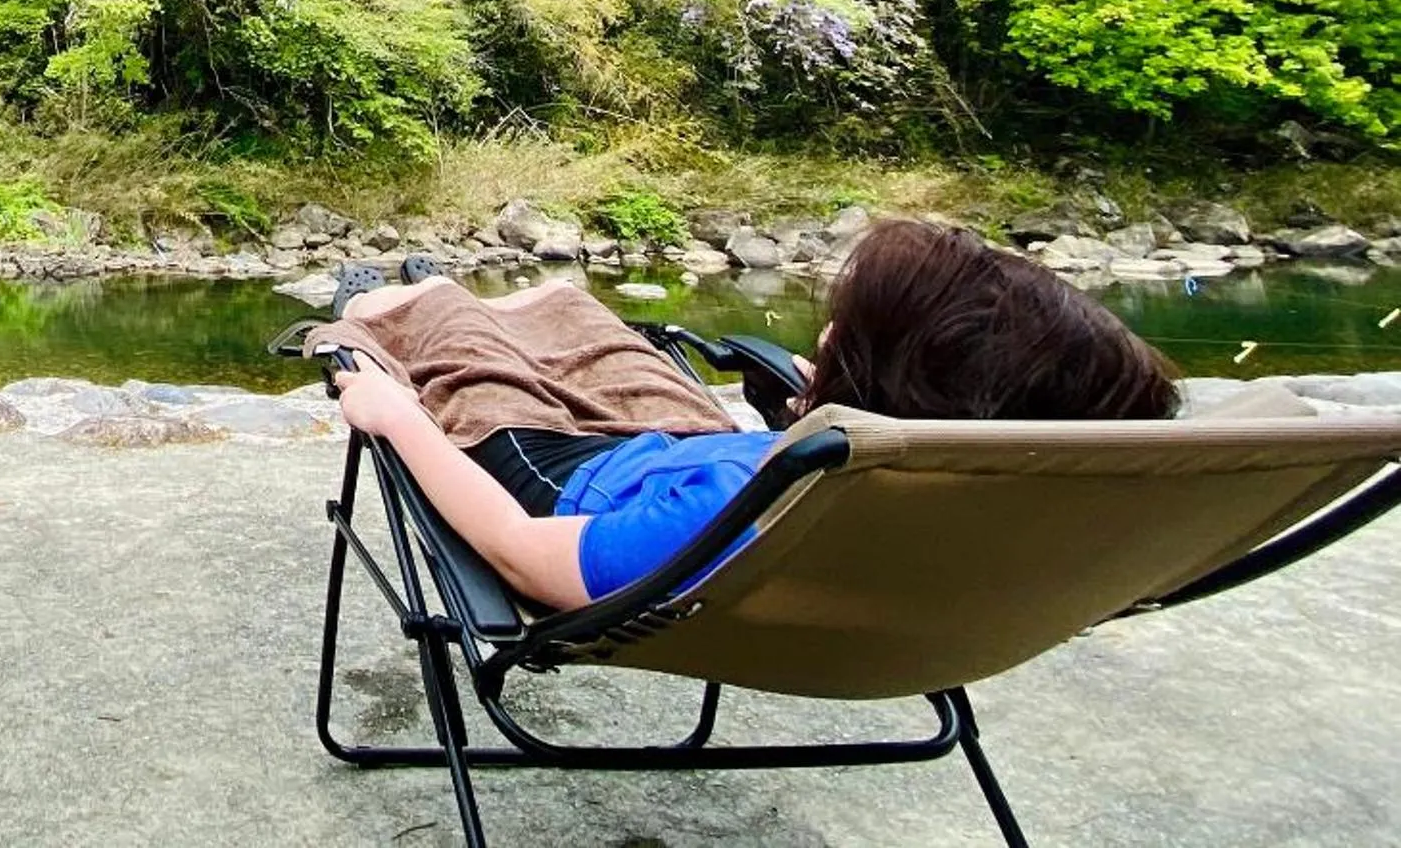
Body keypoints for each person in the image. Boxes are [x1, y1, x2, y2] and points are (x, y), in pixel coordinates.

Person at [326, 217, 1181, 612]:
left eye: (848, 337)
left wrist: (398, 418)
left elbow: (522, 555)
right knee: (587, 322)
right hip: (697, 453)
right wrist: (820, 411)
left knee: (456, 334)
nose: (829, 329)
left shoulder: (755, 506)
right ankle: (453, 291)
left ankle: (400, 299)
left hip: (566, 477)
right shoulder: (967, 500)